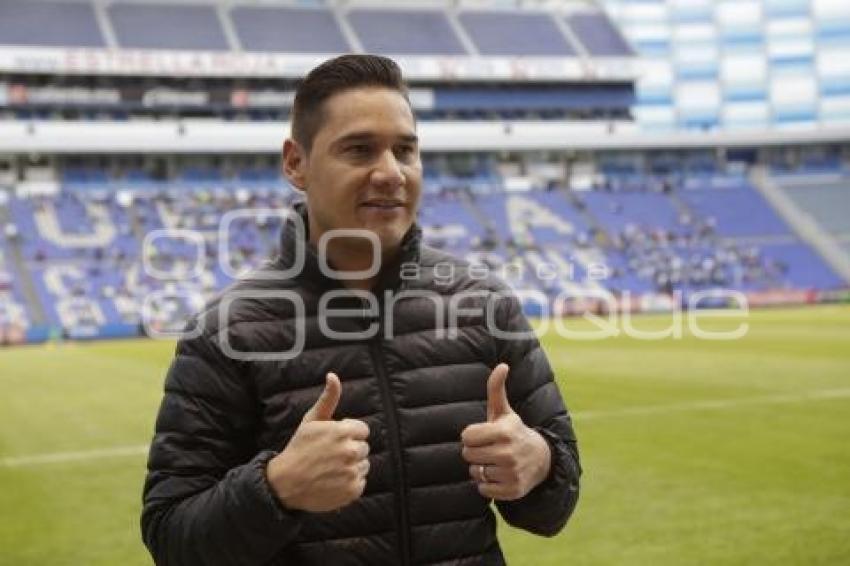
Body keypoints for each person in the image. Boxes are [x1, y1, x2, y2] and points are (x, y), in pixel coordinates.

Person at [141, 54, 581, 565]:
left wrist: (539, 464)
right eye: (359, 150)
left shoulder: (483, 302)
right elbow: (170, 537)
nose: (391, 173)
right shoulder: (228, 330)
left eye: (405, 150)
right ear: (295, 163)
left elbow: (554, 506)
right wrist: (276, 488)